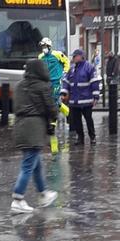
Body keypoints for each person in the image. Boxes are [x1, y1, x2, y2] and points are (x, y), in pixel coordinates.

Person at [11, 60, 59, 213]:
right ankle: (18, 199)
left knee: (36, 164)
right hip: (34, 128)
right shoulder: (43, 86)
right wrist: (54, 117)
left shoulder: (19, 86)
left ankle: (43, 193)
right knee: (28, 165)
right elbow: (51, 107)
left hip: (20, 126)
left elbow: (15, 107)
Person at [61, 49, 101, 146]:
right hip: (74, 101)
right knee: (76, 121)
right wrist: (63, 93)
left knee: (88, 120)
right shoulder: (72, 69)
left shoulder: (89, 68)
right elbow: (66, 82)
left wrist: (95, 97)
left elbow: (94, 82)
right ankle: (80, 138)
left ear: (80, 56)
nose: (73, 58)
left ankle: (92, 137)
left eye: (74, 56)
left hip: (86, 101)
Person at [38, 37, 70, 105]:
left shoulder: (57, 54)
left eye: (45, 46)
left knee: (55, 100)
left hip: (56, 82)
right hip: (46, 82)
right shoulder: (40, 57)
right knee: (47, 101)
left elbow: (66, 61)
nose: (44, 48)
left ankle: (66, 113)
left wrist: (65, 72)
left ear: (49, 46)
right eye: (42, 47)